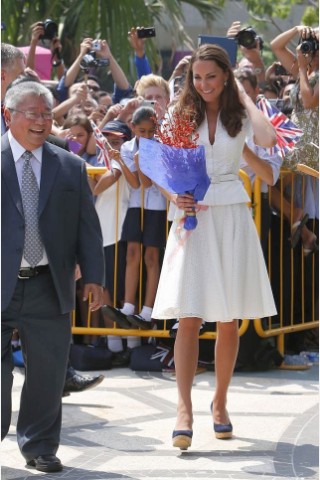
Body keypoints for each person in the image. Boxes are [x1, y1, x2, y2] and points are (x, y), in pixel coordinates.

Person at [151, 44, 277, 450]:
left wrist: (241, 93)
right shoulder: (178, 114)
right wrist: (176, 197)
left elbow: (268, 137)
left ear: (225, 76)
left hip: (231, 215)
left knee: (228, 319)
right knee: (188, 316)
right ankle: (183, 409)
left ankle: (220, 403)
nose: (202, 84)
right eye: (197, 77)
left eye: (211, 76)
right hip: (194, 217)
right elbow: (161, 169)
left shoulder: (239, 114)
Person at [1, 81, 104, 472]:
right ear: (9, 116)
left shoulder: (70, 166)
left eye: (47, 113)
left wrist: (93, 276)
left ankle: (40, 446)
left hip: (49, 283)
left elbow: (87, 227)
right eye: (33, 113)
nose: (43, 121)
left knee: (47, 372)